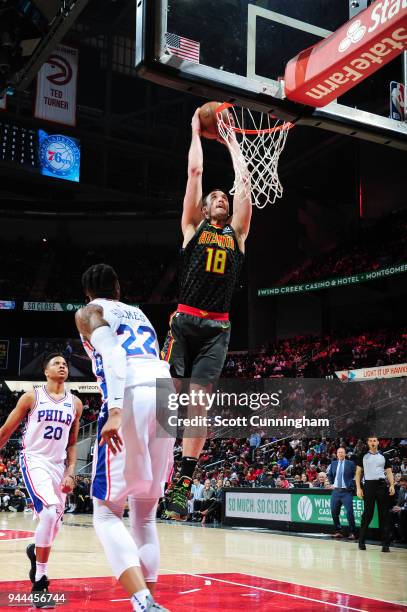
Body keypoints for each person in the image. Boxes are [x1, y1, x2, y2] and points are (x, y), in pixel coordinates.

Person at [161, 107, 252, 519]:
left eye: (224, 197)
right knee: (170, 402)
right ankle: (159, 465)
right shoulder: (192, 228)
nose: (220, 197)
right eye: (215, 196)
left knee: (198, 405)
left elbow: (245, 182)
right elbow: (195, 175)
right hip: (183, 323)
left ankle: (183, 481)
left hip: (217, 329)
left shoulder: (238, 233)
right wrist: (195, 130)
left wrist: (232, 141)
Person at [75, 263, 174, 612]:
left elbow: (115, 354)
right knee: (145, 515)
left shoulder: (89, 311)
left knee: (105, 512)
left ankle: (142, 600)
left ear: (88, 293)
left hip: (131, 394)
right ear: (118, 288)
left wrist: (115, 411)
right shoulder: (139, 313)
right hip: (165, 394)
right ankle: (148, 602)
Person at [0, 354, 82, 606]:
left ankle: (35, 549)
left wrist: (70, 472)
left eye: (65, 364)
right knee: (48, 512)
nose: (62, 366)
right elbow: (6, 430)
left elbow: (71, 443)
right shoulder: (31, 397)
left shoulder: (75, 403)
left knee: (54, 522)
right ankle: (40, 581)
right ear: (45, 371)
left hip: (58, 466)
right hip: (34, 460)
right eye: (56, 363)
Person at [356, 436, 395, 552]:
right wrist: (358, 488)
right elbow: (358, 473)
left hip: (382, 486)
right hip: (369, 486)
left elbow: (389, 472)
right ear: (368, 443)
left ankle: (385, 544)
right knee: (368, 514)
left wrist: (392, 485)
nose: (373, 442)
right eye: (371, 441)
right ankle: (361, 541)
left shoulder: (384, 456)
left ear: (378, 442)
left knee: (384, 515)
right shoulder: (363, 456)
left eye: (375, 440)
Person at [327, 447, 357, 540]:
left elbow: (357, 474)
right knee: (334, 512)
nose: (340, 454)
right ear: (336, 454)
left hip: (346, 492)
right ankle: (338, 531)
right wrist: (332, 483)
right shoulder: (333, 463)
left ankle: (352, 532)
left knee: (349, 512)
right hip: (336, 491)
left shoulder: (350, 463)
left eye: (342, 452)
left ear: (345, 454)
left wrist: (351, 484)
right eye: (338, 452)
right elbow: (330, 474)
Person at [390, 475, 407, 542]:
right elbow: (399, 502)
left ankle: (404, 537)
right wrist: (396, 507)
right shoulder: (402, 490)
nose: (403, 486)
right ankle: (395, 536)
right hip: (403, 509)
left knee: (402, 513)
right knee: (390, 513)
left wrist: (401, 508)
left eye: (404, 485)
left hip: (405, 510)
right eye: (402, 485)